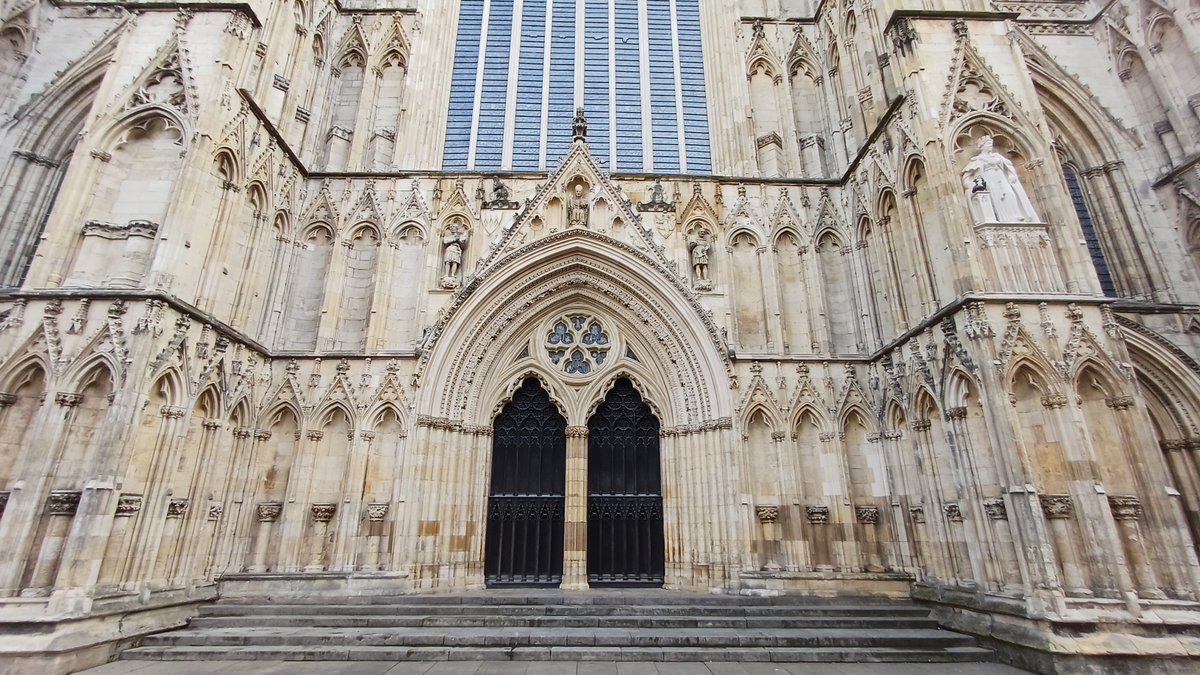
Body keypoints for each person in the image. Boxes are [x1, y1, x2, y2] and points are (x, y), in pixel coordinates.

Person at [961, 135, 1039, 224]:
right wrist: (967, 183)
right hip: (990, 180)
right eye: (988, 144)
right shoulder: (978, 160)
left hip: (1002, 178)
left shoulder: (997, 156)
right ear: (982, 146)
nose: (990, 146)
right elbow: (967, 174)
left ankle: (1016, 216)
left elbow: (1009, 168)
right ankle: (1004, 219)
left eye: (991, 144)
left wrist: (1010, 175)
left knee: (1010, 194)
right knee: (996, 199)